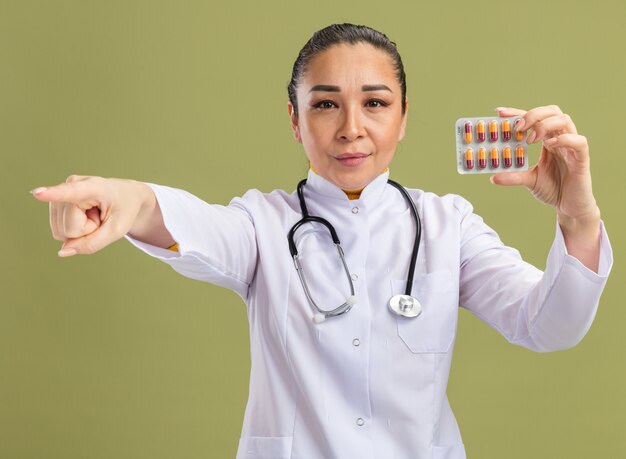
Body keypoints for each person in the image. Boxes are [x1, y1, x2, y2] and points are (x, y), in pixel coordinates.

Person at [32, 23, 612, 459]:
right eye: (326, 103)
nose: (351, 128)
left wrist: (578, 216)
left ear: (404, 116)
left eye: (376, 104)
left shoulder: (447, 226)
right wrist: (130, 198)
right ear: (294, 119)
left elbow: (549, 326)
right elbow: (194, 225)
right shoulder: (262, 224)